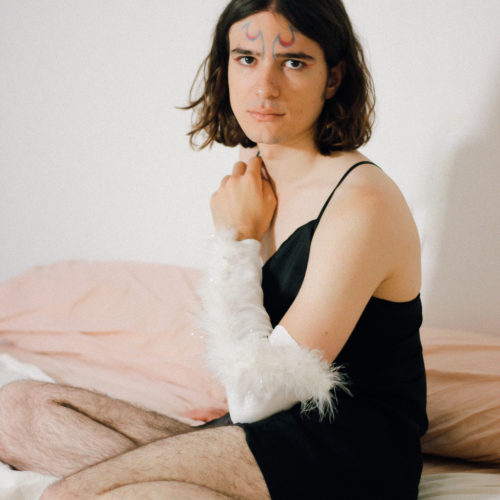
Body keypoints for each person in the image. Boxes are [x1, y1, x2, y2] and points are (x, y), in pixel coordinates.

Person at [0, 0, 428, 498]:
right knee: (18, 411)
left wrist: (238, 240)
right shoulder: (256, 171)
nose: (265, 87)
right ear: (225, 68)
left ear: (333, 78)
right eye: (247, 58)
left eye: (293, 62)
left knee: (69, 494)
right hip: (263, 431)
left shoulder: (363, 204)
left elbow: (257, 396)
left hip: (348, 456)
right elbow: (248, 383)